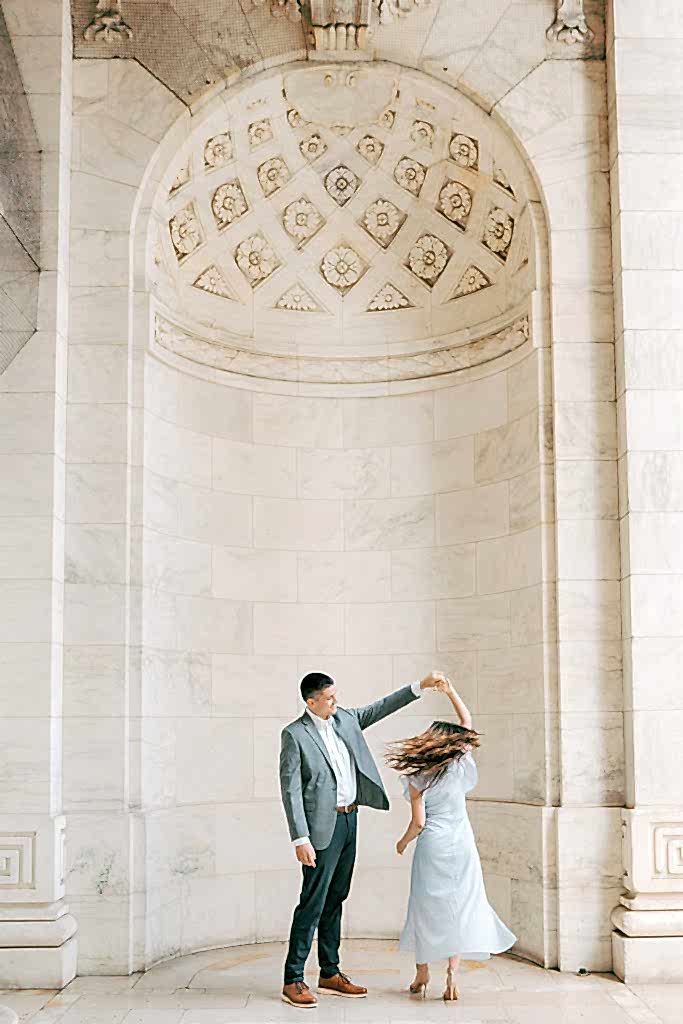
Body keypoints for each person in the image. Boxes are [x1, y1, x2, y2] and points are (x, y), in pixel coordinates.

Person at [278, 669, 447, 1008]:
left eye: (335, 695)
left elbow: (382, 706)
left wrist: (421, 686)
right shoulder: (295, 735)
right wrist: (300, 838)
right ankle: (293, 979)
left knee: (336, 897)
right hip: (320, 831)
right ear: (311, 702)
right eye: (328, 698)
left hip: (350, 819)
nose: (335, 701)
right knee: (312, 902)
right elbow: (291, 790)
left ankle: (329, 973)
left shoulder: (346, 719)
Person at [387, 677, 516, 1001]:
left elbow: (418, 823)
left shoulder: (417, 775)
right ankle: (452, 977)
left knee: (424, 908)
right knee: (460, 906)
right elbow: (467, 723)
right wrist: (451, 692)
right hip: (461, 844)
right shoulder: (458, 762)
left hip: (433, 845)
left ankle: (421, 974)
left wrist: (403, 843)